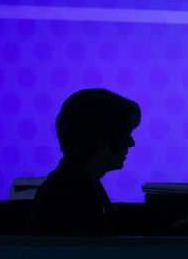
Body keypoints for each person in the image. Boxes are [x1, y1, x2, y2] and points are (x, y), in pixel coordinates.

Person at [29, 88, 140, 236]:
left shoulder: (78, 182)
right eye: (124, 134)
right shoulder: (71, 197)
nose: (131, 143)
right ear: (103, 136)